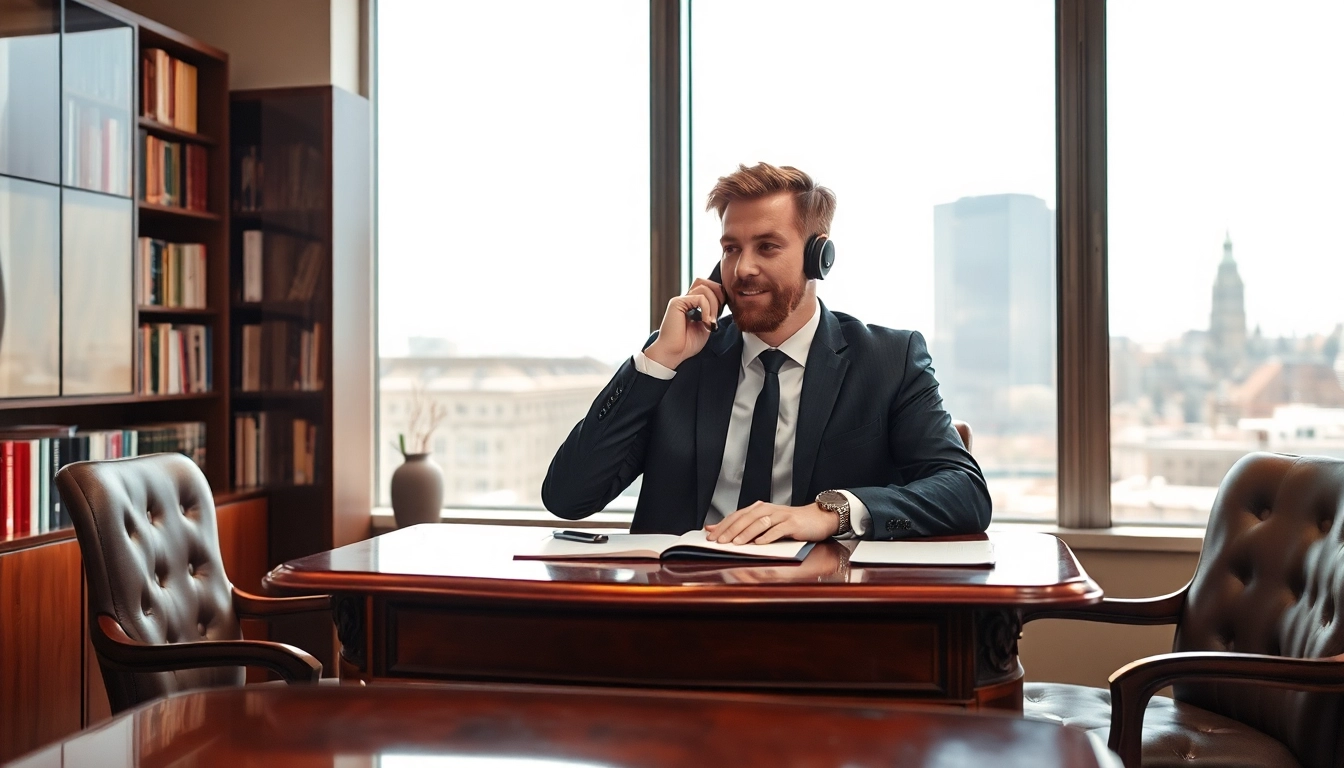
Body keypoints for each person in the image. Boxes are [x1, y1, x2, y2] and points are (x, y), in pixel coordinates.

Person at [542, 162, 990, 543]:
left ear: (819, 257)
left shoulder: (888, 360)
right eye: (731, 249)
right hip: (677, 607)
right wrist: (658, 361)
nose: (744, 268)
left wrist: (826, 512)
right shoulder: (679, 359)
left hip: (821, 612)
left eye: (767, 247)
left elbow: (964, 492)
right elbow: (567, 497)